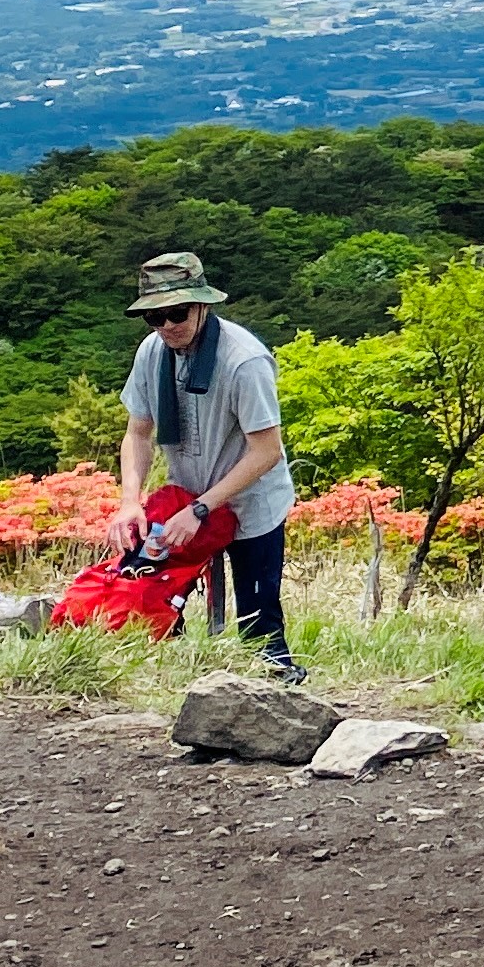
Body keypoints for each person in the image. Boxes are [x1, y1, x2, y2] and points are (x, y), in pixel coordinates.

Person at [114, 252, 302, 680]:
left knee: (259, 620)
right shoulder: (153, 352)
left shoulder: (244, 361)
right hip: (185, 495)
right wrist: (130, 501)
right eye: (154, 317)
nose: (166, 326)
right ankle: (182, 679)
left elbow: (266, 450)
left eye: (176, 313)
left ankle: (274, 685)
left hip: (249, 500)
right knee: (160, 589)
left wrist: (203, 508)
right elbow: (137, 433)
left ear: (202, 305)